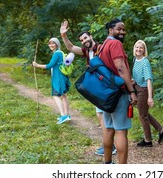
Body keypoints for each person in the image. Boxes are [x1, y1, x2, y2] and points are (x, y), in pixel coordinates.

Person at [60, 20, 117, 156]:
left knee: (104, 116)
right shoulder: (87, 51)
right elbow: (71, 48)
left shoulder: (101, 48)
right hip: (97, 87)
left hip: (105, 86)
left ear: (90, 36)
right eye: (81, 40)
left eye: (85, 38)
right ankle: (109, 144)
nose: (84, 41)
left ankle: (110, 145)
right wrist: (63, 36)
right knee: (101, 115)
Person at [98, 19, 138, 164]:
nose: (122, 32)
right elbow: (120, 68)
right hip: (119, 93)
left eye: (123, 29)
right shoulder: (115, 44)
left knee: (108, 129)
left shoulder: (103, 45)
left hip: (107, 93)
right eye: (119, 29)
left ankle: (107, 163)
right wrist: (131, 91)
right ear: (110, 30)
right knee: (121, 131)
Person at [132, 40, 163, 147]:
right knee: (144, 113)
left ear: (144, 50)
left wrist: (150, 97)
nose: (138, 49)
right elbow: (137, 76)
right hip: (137, 88)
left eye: (141, 48)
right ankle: (161, 130)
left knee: (142, 115)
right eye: (137, 47)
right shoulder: (135, 59)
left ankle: (148, 140)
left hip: (144, 90)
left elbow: (148, 79)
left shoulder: (145, 62)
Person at [32, 37, 71, 124]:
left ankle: (63, 116)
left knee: (55, 95)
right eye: (50, 43)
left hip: (58, 77)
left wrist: (37, 65)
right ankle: (67, 115)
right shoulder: (60, 53)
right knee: (64, 95)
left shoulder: (57, 54)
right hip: (63, 76)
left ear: (57, 44)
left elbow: (49, 66)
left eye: (53, 43)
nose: (51, 45)